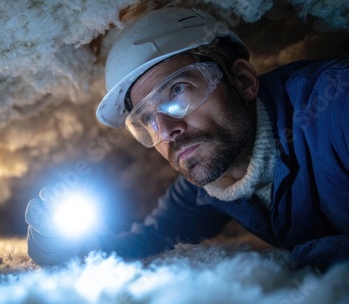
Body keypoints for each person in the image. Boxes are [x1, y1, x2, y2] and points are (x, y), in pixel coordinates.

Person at [25, 7, 349, 269]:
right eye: (146, 119)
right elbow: (146, 245)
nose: (166, 130)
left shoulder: (335, 105)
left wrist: (307, 262)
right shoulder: (207, 184)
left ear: (243, 80)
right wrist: (56, 244)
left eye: (177, 91)